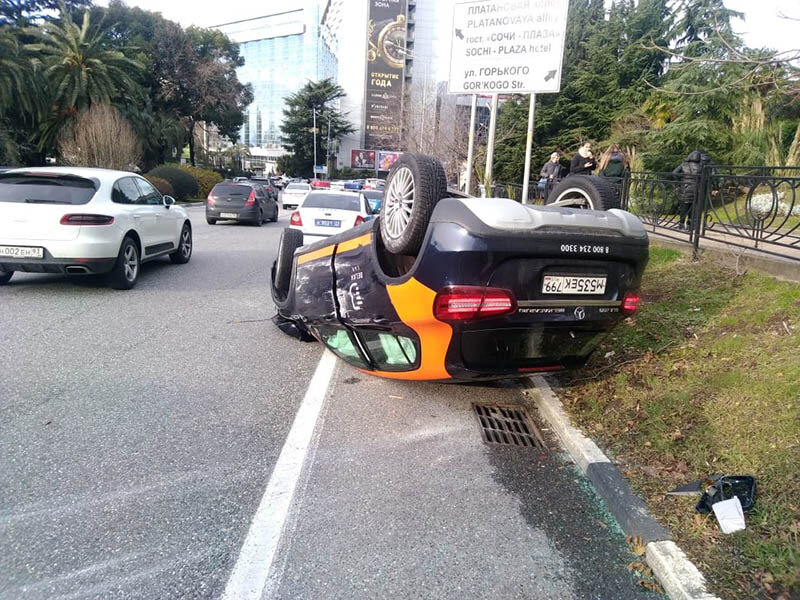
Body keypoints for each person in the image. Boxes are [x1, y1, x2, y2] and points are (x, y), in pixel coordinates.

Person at [672, 150, 703, 230]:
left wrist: (681, 180)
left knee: (683, 208)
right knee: (692, 208)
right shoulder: (700, 166)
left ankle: (681, 225)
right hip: (696, 189)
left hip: (685, 188)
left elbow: (674, 173)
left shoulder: (683, 165)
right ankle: (690, 226)